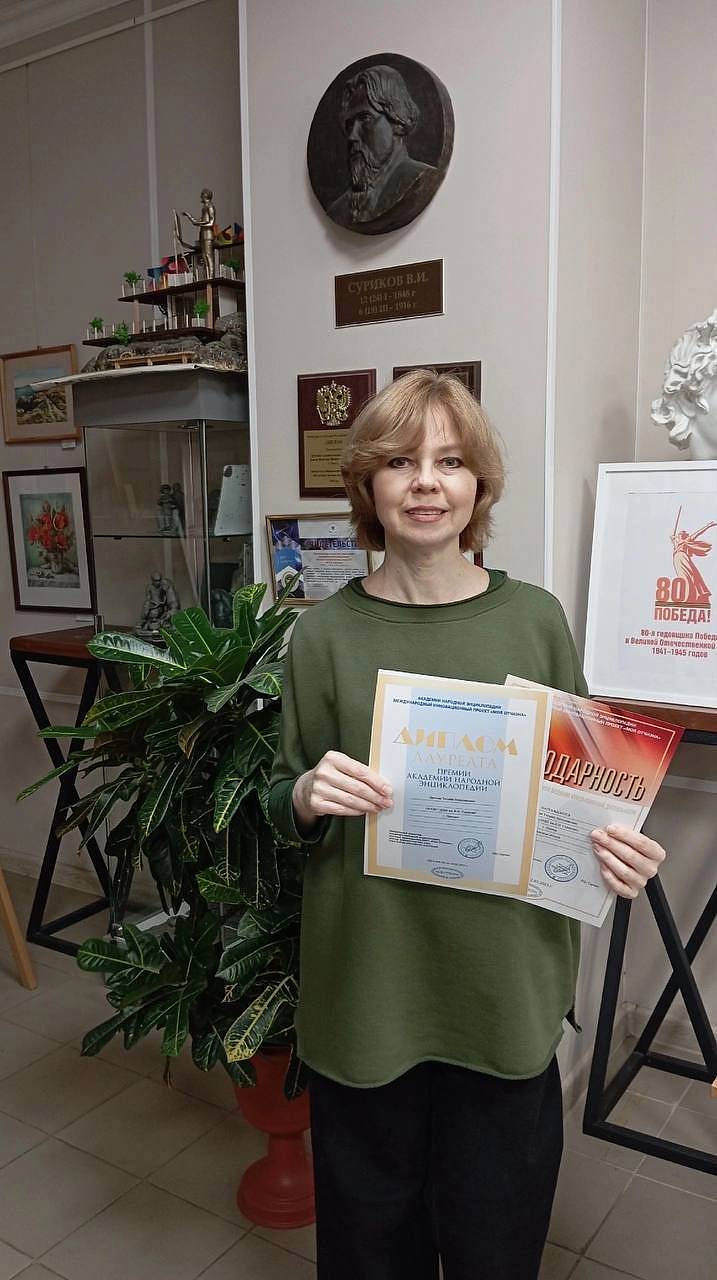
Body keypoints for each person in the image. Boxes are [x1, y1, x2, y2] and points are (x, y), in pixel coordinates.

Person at [267, 370, 667, 1280]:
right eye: (399, 462)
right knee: (371, 1250)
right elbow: (281, 796)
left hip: (501, 994)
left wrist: (617, 847)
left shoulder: (534, 621)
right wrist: (303, 797)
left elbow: (588, 796)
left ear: (477, 484)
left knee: (495, 1246)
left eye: (449, 462)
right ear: (366, 484)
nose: (425, 482)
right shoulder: (322, 636)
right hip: (369, 994)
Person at [328, 65, 435, 229]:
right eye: (349, 125)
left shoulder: (419, 179)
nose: (352, 136)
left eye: (365, 118)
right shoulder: (339, 209)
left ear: (398, 121)